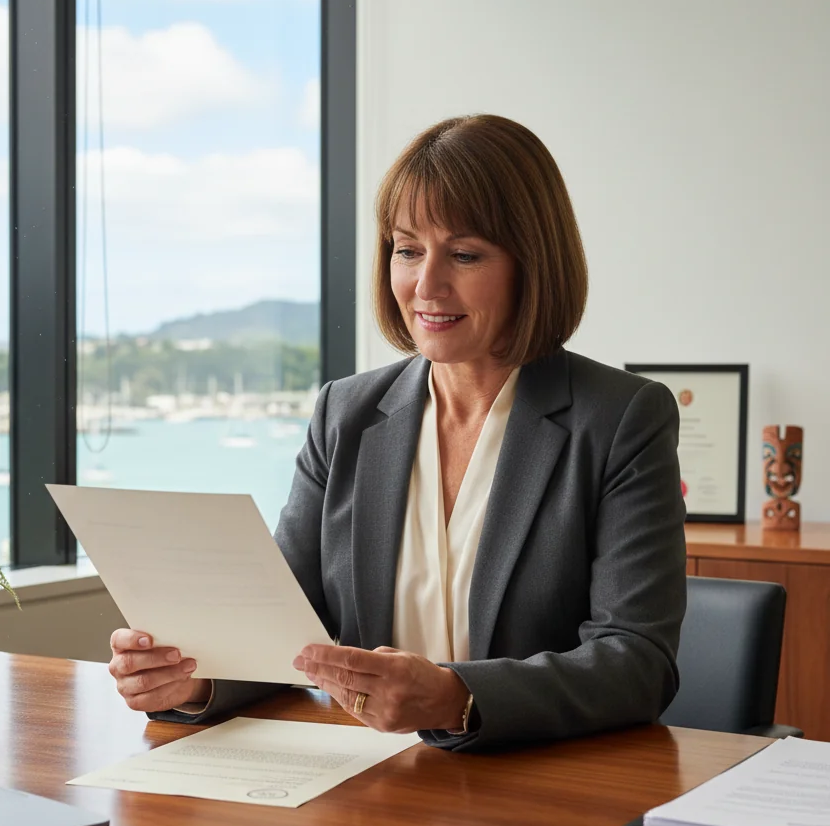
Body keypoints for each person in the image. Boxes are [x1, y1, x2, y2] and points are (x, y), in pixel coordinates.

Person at [109, 114, 686, 752]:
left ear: (534, 264)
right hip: (368, 783)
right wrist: (190, 682)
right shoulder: (345, 412)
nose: (425, 284)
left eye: (464, 254)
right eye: (407, 250)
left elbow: (637, 662)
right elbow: (288, 631)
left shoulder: (621, 417)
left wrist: (459, 696)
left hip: (537, 786)